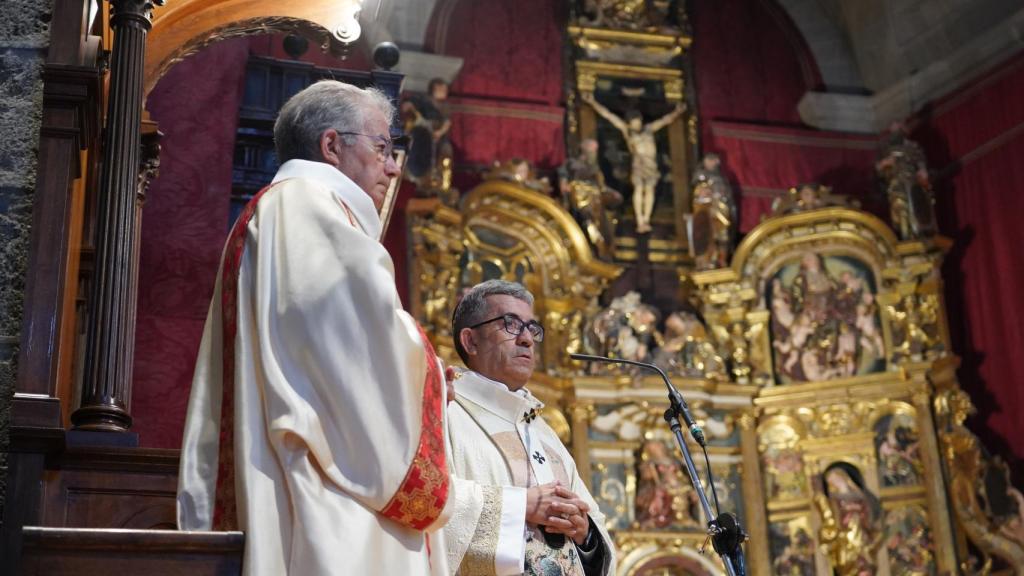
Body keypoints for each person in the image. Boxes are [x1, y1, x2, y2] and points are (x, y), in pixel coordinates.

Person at [177, 80, 451, 575]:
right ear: (331, 145)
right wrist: (430, 364)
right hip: (325, 499)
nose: (393, 167)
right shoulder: (307, 206)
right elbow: (357, 356)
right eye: (382, 148)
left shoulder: (286, 206)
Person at [445, 280, 616, 575]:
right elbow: (427, 499)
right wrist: (520, 505)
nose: (526, 339)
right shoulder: (447, 410)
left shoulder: (542, 430)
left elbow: (594, 522)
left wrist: (585, 533)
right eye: (510, 324)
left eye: (531, 328)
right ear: (471, 341)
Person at [581, 92, 685, 234]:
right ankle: (640, 220)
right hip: (639, 164)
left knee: (649, 189)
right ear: (630, 123)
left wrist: (677, 112)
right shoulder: (627, 131)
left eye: (638, 121)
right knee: (639, 188)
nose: (637, 124)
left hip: (651, 164)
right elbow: (609, 116)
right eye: (634, 122)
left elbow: (664, 121)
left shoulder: (649, 129)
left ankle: (646, 220)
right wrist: (593, 103)